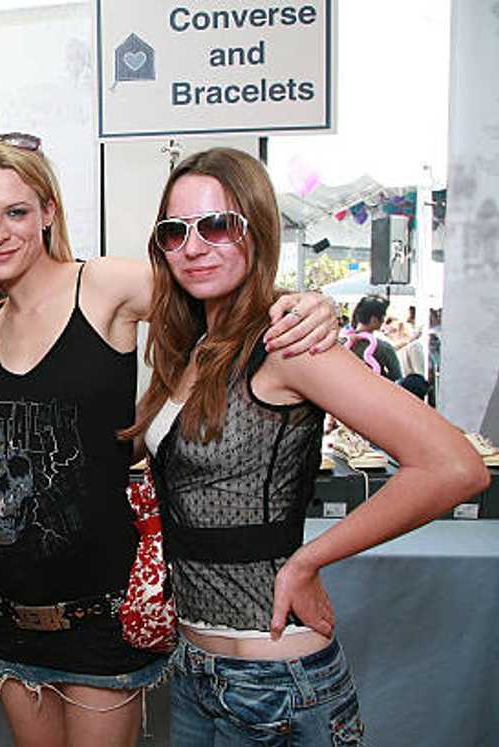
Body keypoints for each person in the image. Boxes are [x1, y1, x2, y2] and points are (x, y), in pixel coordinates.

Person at [0, 134, 338, 746]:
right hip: (7, 609)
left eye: (16, 212)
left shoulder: (102, 285)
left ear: (48, 212)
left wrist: (308, 305)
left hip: (100, 611)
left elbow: (225, 292)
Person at [124, 147, 488, 745]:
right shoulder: (192, 345)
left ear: (257, 230)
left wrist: (309, 559)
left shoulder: (288, 342)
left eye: (218, 225)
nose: (194, 246)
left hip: (276, 681)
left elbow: (454, 466)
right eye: (175, 231)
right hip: (194, 672)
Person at [343, 294, 402, 381]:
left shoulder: (340, 343)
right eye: (383, 317)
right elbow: (397, 379)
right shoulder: (384, 348)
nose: (384, 321)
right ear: (374, 320)